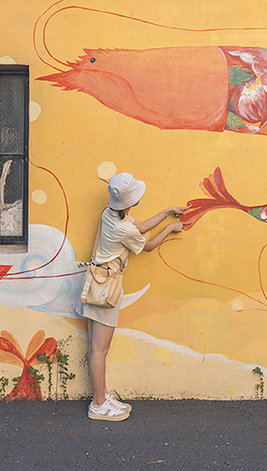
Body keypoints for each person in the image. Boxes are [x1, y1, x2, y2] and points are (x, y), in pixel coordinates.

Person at [77, 172, 190, 421]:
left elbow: (138, 227)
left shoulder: (111, 214)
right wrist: (170, 227)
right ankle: (98, 405)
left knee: (97, 348)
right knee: (99, 349)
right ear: (130, 201)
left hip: (98, 281)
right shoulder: (121, 227)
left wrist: (166, 212)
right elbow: (146, 245)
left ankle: (102, 396)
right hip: (106, 288)